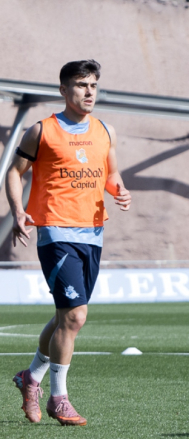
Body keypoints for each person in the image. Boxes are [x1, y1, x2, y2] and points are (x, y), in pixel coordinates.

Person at [8, 60, 131, 426]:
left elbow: (110, 173)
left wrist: (119, 190)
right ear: (64, 90)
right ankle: (59, 398)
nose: (89, 91)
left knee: (66, 317)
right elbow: (14, 172)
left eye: (93, 85)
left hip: (93, 232)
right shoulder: (41, 131)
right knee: (75, 315)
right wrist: (18, 211)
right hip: (56, 231)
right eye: (81, 85)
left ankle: (30, 377)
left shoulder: (105, 129)